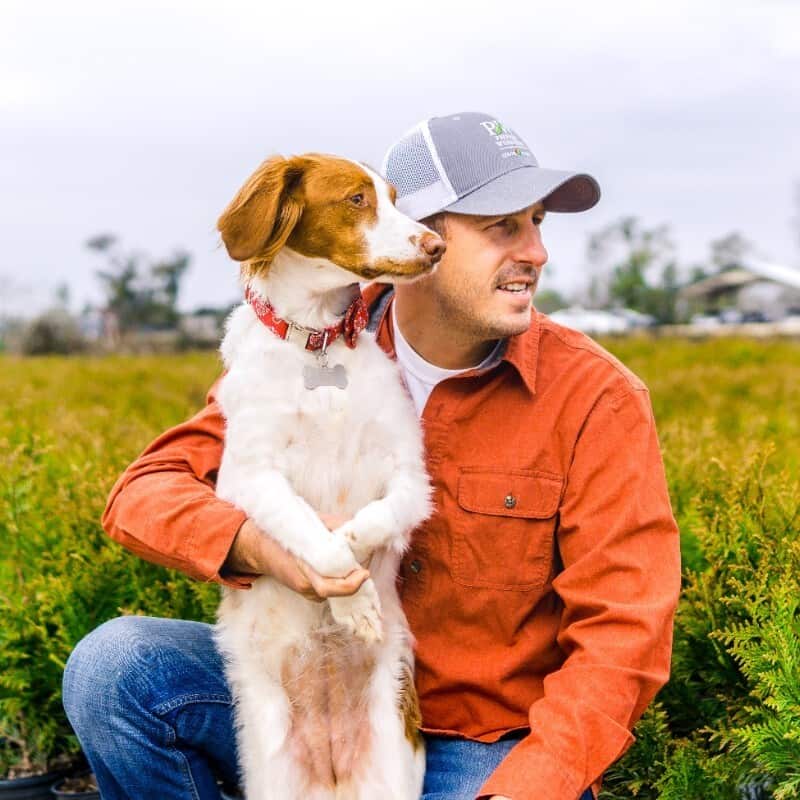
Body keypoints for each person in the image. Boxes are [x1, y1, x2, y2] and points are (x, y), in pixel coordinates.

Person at [62, 111, 681, 800]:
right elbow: (146, 493)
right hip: (306, 690)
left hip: (479, 744)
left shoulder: (596, 396)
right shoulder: (306, 349)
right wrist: (265, 551)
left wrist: (534, 784)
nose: (535, 251)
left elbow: (625, 628)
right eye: (503, 225)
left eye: (538, 223)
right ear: (407, 229)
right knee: (116, 669)